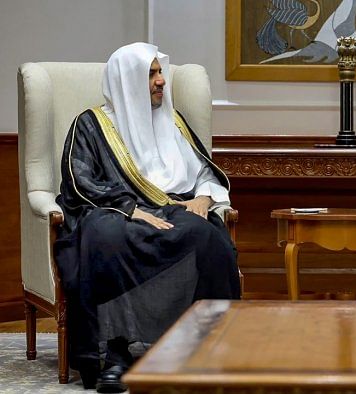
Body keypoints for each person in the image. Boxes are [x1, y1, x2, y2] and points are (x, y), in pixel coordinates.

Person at [54, 42, 241, 392]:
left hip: (173, 207)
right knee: (104, 236)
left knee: (206, 235)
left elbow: (202, 172)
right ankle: (114, 351)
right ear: (126, 81)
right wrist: (131, 209)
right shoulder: (92, 125)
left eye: (160, 73)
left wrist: (202, 199)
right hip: (115, 210)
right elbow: (79, 181)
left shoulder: (172, 120)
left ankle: (206, 348)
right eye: (151, 74)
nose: (161, 82)